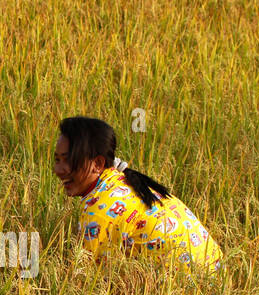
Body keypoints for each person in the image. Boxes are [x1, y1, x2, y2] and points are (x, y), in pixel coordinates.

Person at [55, 116, 223, 274]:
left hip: (188, 289)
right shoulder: (122, 181)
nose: (58, 170)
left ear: (98, 163)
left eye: (68, 160)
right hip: (217, 274)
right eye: (57, 160)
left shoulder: (99, 211)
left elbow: (83, 279)